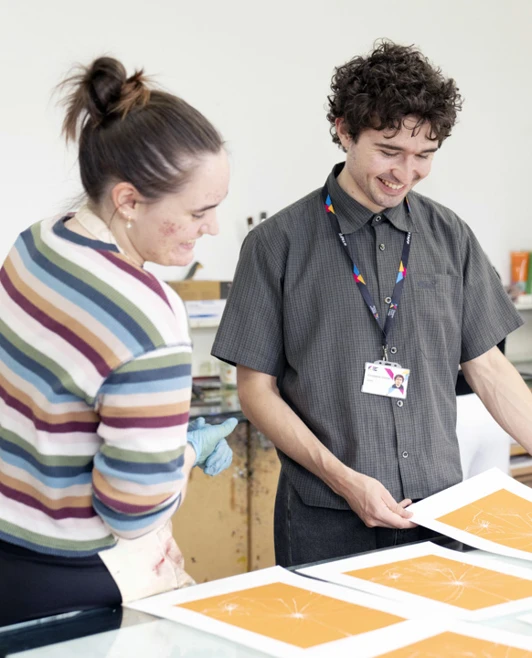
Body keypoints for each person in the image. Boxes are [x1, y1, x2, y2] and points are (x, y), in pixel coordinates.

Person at [212, 40, 532, 567]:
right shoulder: (277, 245)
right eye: (389, 151)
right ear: (344, 131)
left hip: (437, 518)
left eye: (424, 156)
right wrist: (344, 479)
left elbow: (489, 369)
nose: (405, 173)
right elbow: (256, 391)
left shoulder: (450, 237)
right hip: (326, 519)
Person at [0, 56, 237, 626]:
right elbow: (130, 513)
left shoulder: (37, 243)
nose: (212, 229)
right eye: (199, 212)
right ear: (129, 201)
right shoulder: (152, 318)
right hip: (79, 576)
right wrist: (182, 451)